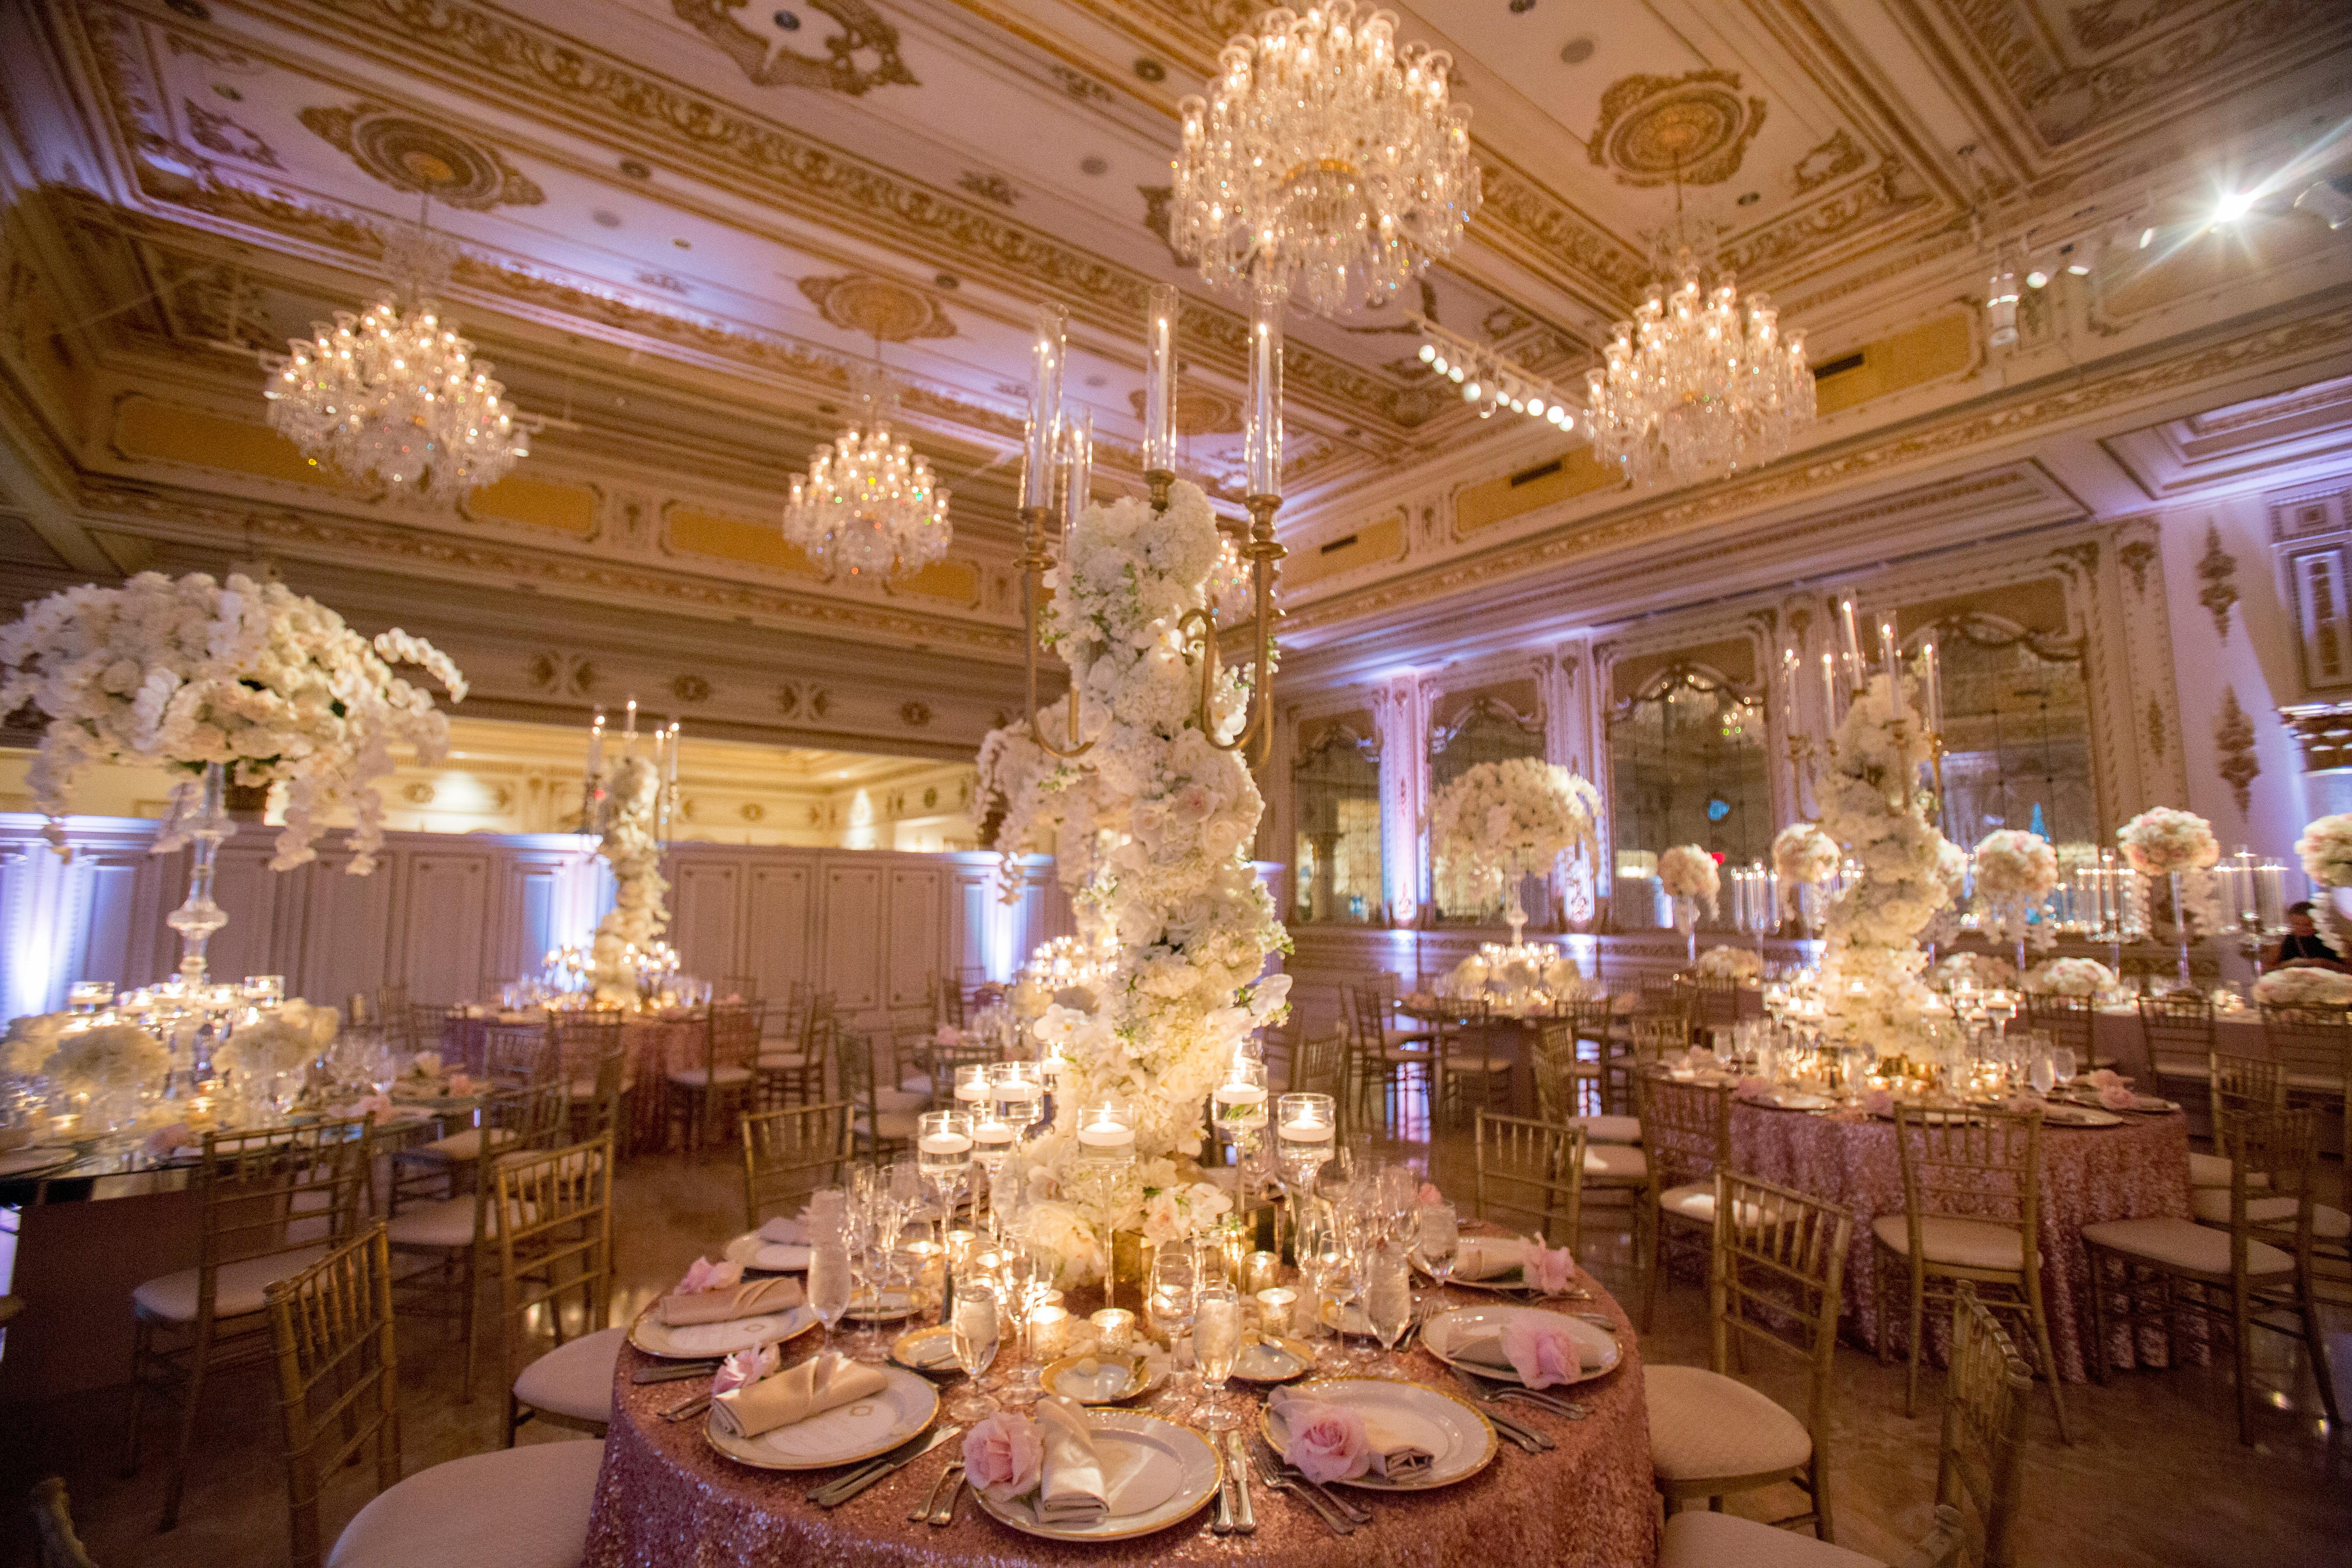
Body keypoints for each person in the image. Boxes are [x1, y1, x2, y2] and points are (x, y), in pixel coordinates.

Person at [2269, 902, 2352, 973]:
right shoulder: (2289, 939)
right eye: (2297, 924)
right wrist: (2293, 964)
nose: (2302, 928)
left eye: (2308, 925)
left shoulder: (2332, 938)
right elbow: (2270, 970)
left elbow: (2349, 971)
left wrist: (2327, 964)